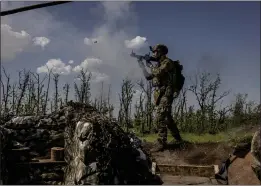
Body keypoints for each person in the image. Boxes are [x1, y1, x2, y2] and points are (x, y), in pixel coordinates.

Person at [145, 44, 184, 152]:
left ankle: (161, 142)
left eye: (155, 52)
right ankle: (178, 139)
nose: (153, 54)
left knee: (160, 117)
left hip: (167, 93)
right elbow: (150, 77)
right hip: (163, 93)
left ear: (160, 52)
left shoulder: (167, 62)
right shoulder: (160, 63)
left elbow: (158, 72)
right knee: (167, 119)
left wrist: (149, 65)